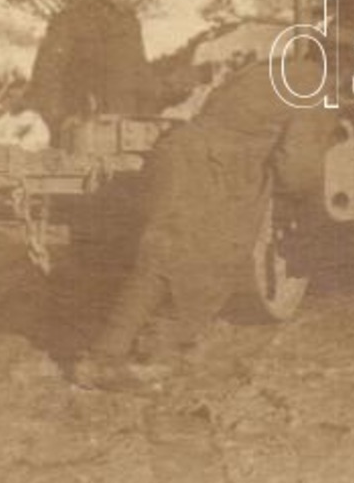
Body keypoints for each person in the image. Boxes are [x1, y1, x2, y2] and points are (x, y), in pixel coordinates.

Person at [70, 55, 331, 391]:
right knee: (212, 262)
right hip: (213, 172)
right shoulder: (314, 85)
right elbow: (298, 169)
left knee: (162, 257)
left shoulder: (268, 68)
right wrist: (306, 203)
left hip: (179, 154)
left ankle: (144, 353)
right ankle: (114, 358)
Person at [25, 0, 161, 143]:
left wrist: (148, 114)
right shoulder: (70, 20)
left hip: (127, 128)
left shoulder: (129, 23)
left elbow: (141, 73)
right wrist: (60, 120)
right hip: (82, 129)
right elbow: (46, 76)